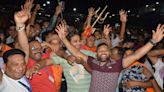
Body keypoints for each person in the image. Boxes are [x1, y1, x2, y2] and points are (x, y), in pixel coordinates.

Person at [55, 22, 164, 92]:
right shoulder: (93, 62)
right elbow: (77, 53)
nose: (103, 52)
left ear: (110, 53)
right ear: (96, 54)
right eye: (100, 50)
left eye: (106, 50)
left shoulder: (117, 65)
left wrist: (153, 41)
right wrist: (64, 39)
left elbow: (136, 55)